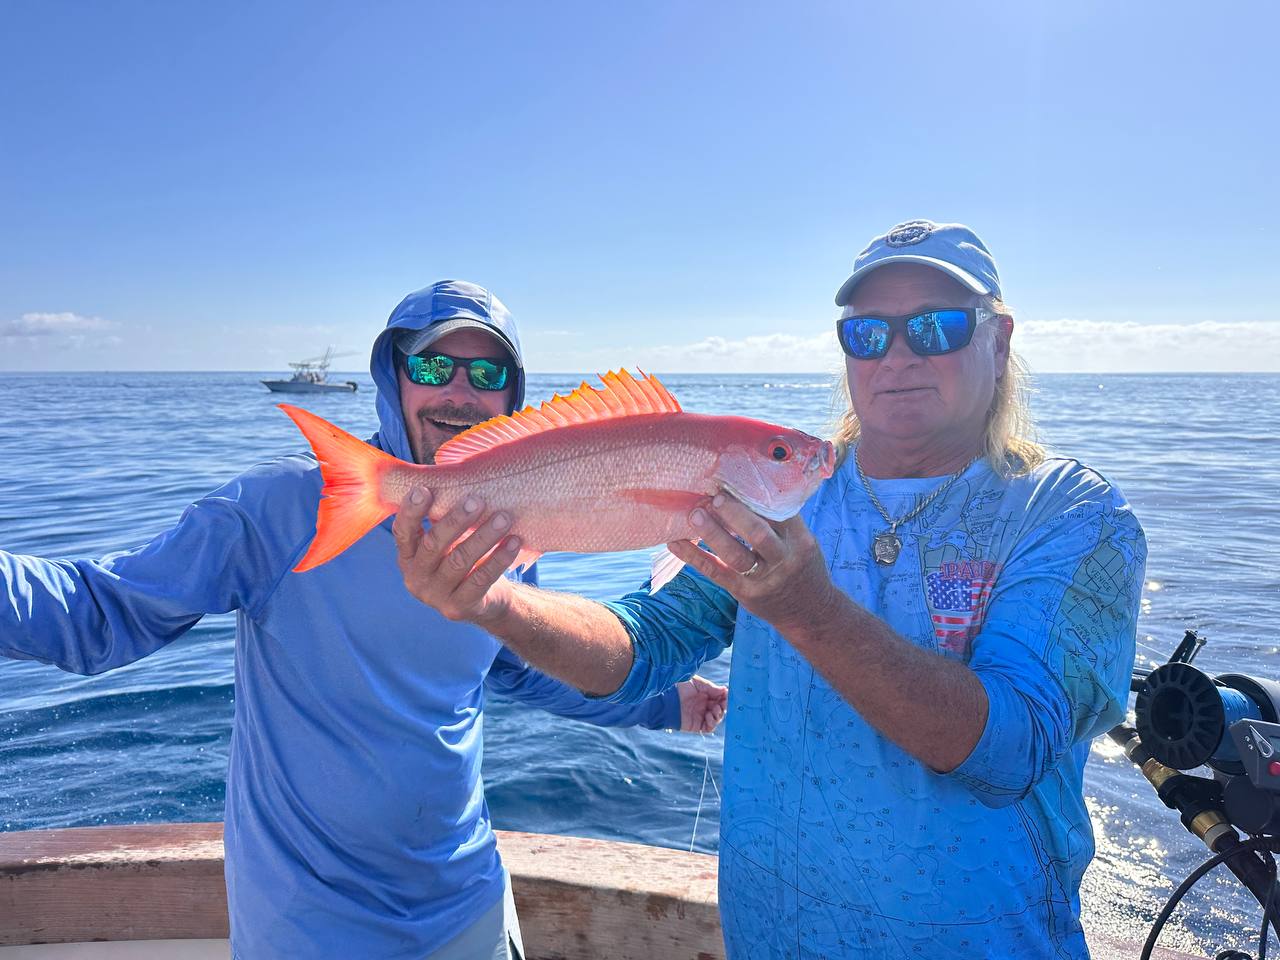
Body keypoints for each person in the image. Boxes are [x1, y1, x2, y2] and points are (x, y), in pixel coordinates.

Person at [391, 225, 1148, 958]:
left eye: (938, 326)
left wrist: (807, 609)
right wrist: (497, 605)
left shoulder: (1072, 514)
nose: (899, 355)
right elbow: (646, 646)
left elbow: (1009, 751)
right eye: (869, 334)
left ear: (999, 339)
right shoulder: (779, 499)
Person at [0, 279, 728, 960]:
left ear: (515, 393)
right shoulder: (283, 507)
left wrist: (664, 701)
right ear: (393, 378)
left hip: (463, 899)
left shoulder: (509, 529)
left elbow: (509, 668)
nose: (462, 392)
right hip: (308, 925)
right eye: (435, 368)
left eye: (487, 374)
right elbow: (100, 612)